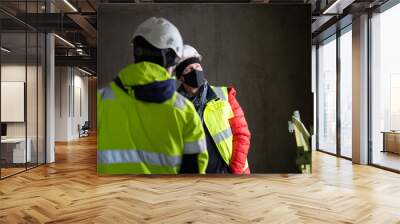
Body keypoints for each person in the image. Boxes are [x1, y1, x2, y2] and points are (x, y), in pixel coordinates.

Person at [97, 18, 208, 174]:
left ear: (136, 53)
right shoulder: (185, 111)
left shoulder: (101, 100)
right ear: (172, 59)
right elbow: (194, 172)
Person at [175, 45, 251, 174]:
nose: (195, 70)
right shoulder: (174, 106)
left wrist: (235, 171)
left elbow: (242, 134)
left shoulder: (224, 95)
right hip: (192, 181)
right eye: (189, 68)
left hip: (229, 175)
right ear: (181, 77)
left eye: (197, 66)